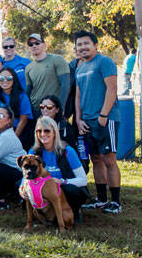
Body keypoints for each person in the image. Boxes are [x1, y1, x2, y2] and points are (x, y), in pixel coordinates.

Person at [73, 30, 122, 214]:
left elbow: (112, 89)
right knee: (95, 160)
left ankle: (115, 202)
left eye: (86, 43)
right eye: (79, 44)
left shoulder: (104, 62)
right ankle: (101, 200)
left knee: (109, 160)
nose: (83, 47)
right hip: (86, 122)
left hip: (105, 119)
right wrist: (78, 119)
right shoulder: (79, 68)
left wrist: (103, 116)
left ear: (95, 45)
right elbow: (78, 96)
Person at [30, 116, 90, 222]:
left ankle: (74, 212)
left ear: (55, 132)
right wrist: (22, 188)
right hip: (43, 191)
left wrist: (62, 181)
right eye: (39, 131)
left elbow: (83, 180)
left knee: (71, 190)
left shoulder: (67, 151)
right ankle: (43, 215)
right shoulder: (34, 152)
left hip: (63, 189)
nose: (43, 134)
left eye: (47, 130)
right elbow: (25, 176)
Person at [25, 33, 71, 120]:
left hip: (52, 110)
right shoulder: (28, 67)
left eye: (37, 43)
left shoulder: (57, 60)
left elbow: (65, 84)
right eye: (31, 44)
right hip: (36, 110)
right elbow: (28, 91)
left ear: (44, 44)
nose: (34, 46)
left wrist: (61, 108)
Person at [0, 68, 33, 149]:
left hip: (18, 131)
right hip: (0, 129)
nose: (5, 81)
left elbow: (23, 120)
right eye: (1, 78)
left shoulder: (22, 96)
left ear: (14, 79)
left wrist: (13, 139)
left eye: (8, 78)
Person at [39, 95, 86, 170]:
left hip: (63, 162)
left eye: (49, 107)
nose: (45, 110)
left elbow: (71, 148)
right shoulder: (37, 125)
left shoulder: (65, 127)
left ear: (57, 109)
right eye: (42, 106)